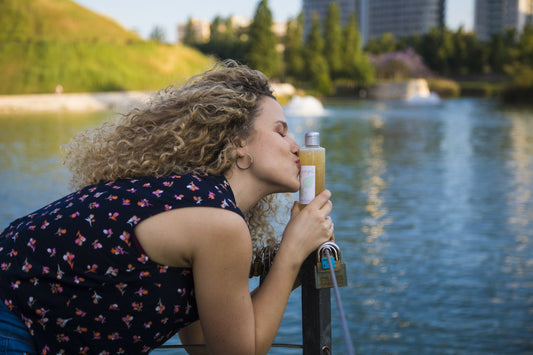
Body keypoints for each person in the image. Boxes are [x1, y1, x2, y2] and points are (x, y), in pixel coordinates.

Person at [0, 60, 334, 354]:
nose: (296, 147)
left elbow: (205, 342)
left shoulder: (195, 200)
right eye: (281, 132)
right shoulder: (219, 223)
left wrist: (287, 265)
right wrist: (291, 251)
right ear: (238, 143)